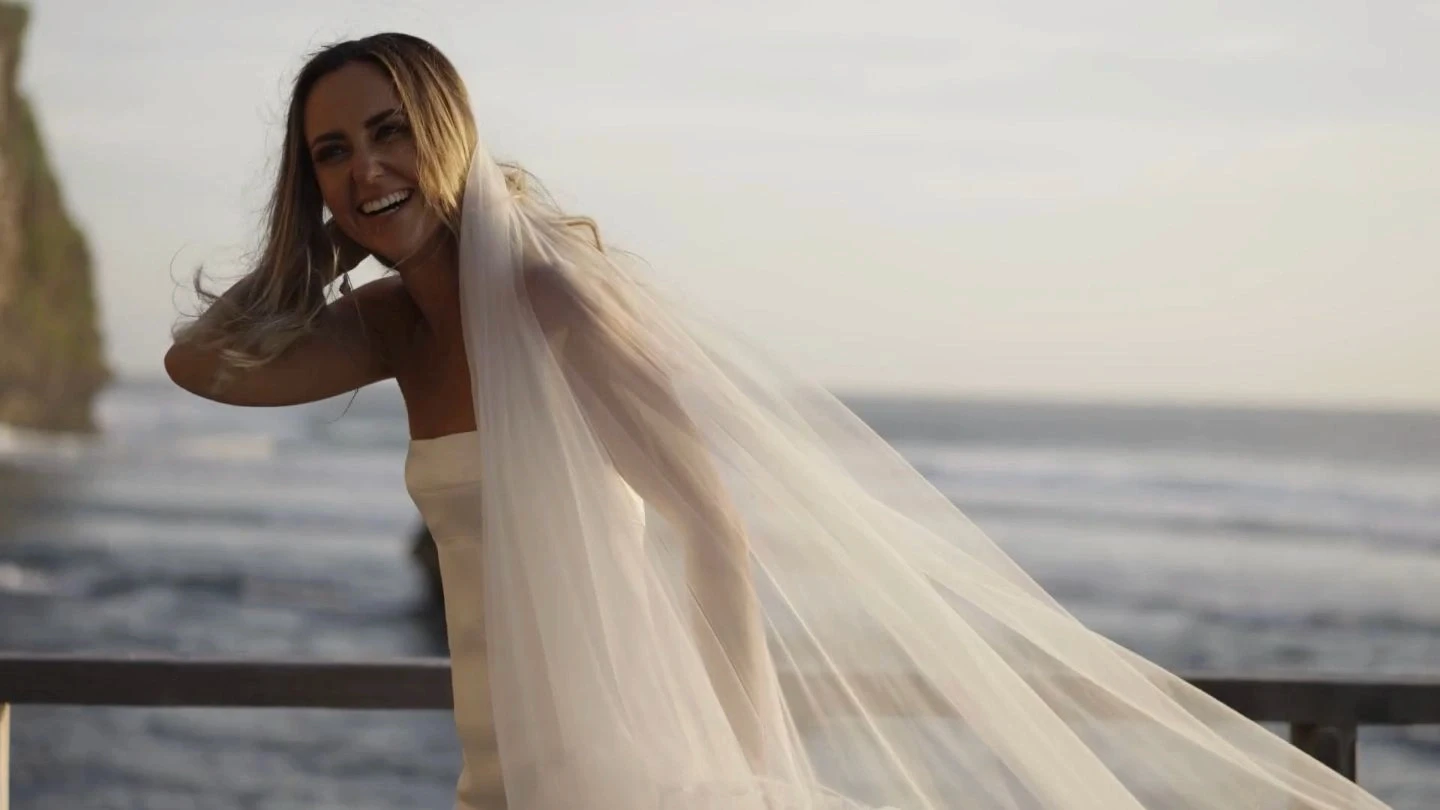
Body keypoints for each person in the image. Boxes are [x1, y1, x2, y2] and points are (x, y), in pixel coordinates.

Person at [165, 33, 1394, 810]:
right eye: (332, 153)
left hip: (621, 771)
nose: (367, 166)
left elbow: (714, 528)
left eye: (388, 133)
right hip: (499, 771)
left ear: (449, 136)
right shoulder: (389, 331)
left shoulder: (550, 303)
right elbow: (198, 367)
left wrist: (755, 780)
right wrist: (305, 251)